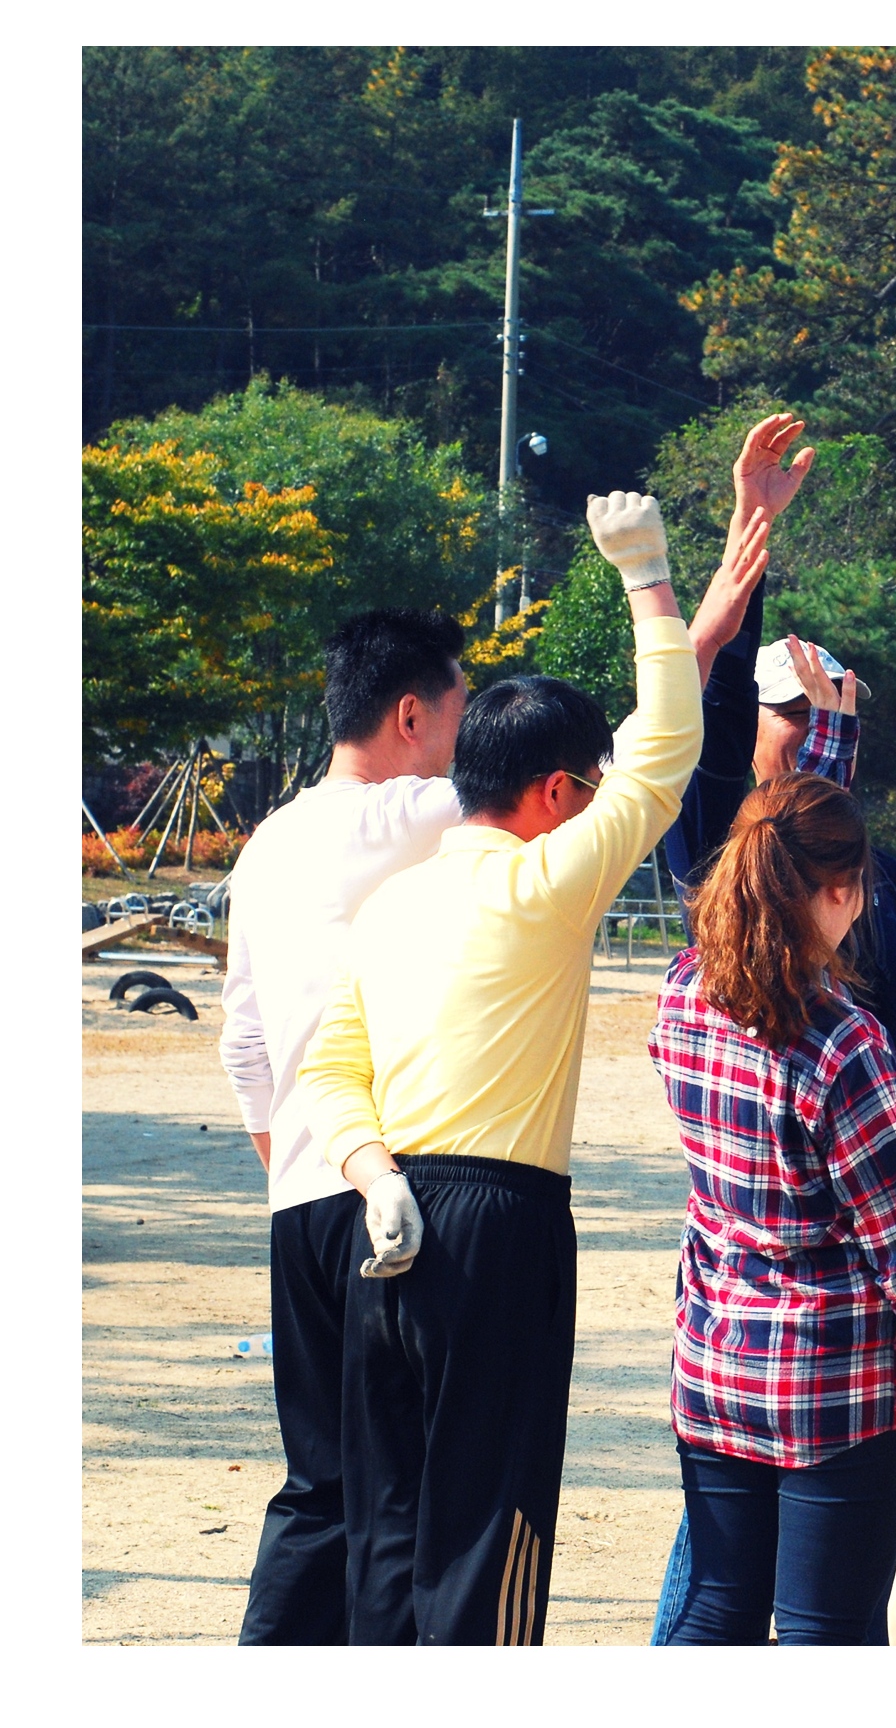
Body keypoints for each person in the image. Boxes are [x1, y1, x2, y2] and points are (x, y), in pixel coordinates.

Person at [296, 490, 711, 1645]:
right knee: (492, 1521)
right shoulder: (545, 884)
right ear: (557, 794)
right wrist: (646, 575)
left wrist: (374, 1176)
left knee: (388, 1524)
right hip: (500, 1222)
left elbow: (329, 1070)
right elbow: (666, 757)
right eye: (588, 791)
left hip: (384, 1215)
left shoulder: (392, 904)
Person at [649, 773, 896, 1643]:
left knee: (717, 1607)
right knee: (828, 1631)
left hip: (717, 1353)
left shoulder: (683, 991)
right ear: (842, 892)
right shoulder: (844, 1045)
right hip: (837, 1381)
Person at [220, 606, 468, 1644]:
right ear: (410, 715)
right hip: (388, 1188)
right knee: (397, 1488)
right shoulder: (413, 813)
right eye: (457, 711)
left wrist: (295, 1169)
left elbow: (242, 1042)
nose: (463, 736)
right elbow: (584, 773)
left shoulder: (268, 842)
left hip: (300, 1197)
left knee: (317, 1484)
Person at [660, 413, 896, 1085]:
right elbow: (719, 698)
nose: (818, 729)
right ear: (750, 727)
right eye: (795, 712)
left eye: (833, 713)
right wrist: (751, 521)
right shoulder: (716, 839)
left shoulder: (880, 876)